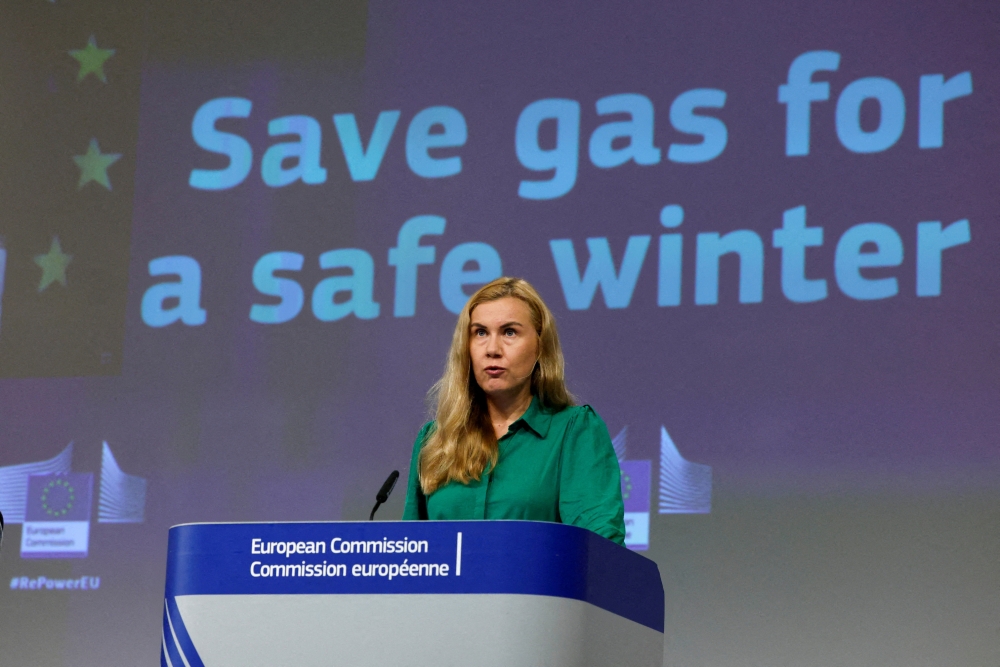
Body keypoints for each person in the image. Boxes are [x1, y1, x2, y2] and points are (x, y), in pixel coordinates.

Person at [402, 276, 625, 545]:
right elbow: (410, 550)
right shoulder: (435, 441)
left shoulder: (574, 432)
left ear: (540, 346)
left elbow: (600, 546)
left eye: (509, 332)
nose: (492, 349)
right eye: (480, 333)